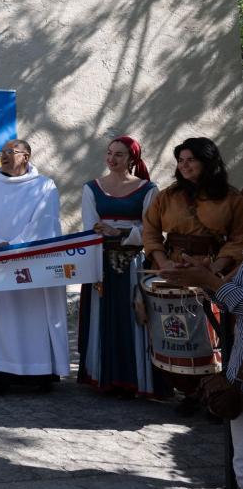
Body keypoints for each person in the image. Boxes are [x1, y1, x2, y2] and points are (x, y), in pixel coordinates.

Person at [0, 139, 70, 395]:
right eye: (3, 153)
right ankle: (1, 375)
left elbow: (45, 221)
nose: (5, 156)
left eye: (12, 152)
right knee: (2, 318)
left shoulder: (44, 186)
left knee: (34, 317)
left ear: (26, 156)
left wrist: (17, 246)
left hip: (32, 264)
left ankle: (40, 373)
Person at [142, 137, 243, 413]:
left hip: (216, 270)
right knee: (179, 331)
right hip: (173, 268)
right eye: (180, 160)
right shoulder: (167, 196)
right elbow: (150, 231)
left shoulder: (232, 198)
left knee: (217, 333)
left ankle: (215, 388)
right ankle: (188, 391)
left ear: (207, 162)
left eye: (191, 160)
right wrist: (163, 263)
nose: (184, 166)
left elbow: (238, 238)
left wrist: (214, 269)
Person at [77, 136, 168, 398]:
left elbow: (152, 229)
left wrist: (121, 230)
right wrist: (104, 232)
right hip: (101, 260)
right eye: (109, 153)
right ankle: (104, 376)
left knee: (134, 318)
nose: (112, 159)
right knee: (103, 316)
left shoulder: (148, 189)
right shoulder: (91, 188)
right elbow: (90, 226)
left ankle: (134, 379)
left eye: (119, 154)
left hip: (134, 262)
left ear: (131, 159)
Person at [159, 256, 243, 489]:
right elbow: (231, 299)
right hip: (239, 375)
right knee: (241, 465)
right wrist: (207, 279)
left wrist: (210, 281)